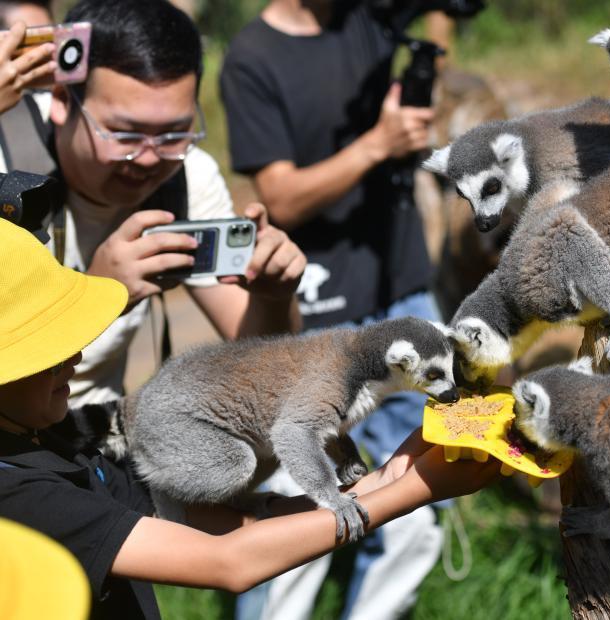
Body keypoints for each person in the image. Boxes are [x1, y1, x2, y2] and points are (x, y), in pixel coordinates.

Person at [0, 217, 499, 620]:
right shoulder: (21, 495)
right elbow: (231, 561)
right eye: (51, 351)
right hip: (188, 423)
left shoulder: (56, 449)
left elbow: (227, 528)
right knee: (243, 462)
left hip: (179, 422)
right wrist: (415, 490)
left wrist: (389, 481)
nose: (78, 360)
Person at [220, 1, 450, 617]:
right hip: (320, 315)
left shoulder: (369, 20)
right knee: (303, 503)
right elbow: (280, 197)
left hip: (405, 289)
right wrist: (378, 144)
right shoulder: (252, 58)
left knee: (425, 490)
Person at [0, 0, 306, 411]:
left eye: (174, 134)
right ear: (60, 98)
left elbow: (268, 367)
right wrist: (98, 296)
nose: (148, 158)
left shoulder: (186, 175)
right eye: (125, 135)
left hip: (93, 435)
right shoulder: (6, 154)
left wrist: (273, 297)